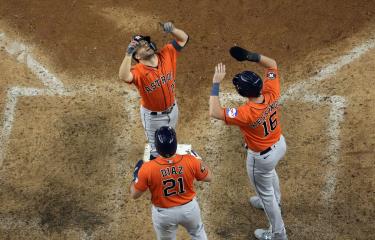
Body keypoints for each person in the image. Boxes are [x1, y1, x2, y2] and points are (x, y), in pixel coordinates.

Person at [208, 46, 288, 240]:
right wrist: (249, 56)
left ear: (243, 94)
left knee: (265, 194)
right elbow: (272, 64)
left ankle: (278, 233)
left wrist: (215, 83)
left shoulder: (246, 113)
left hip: (261, 158)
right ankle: (275, 200)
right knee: (270, 175)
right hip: (279, 145)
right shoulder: (271, 92)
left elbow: (215, 112)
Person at [119, 22, 189, 159]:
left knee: (170, 140)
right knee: (157, 150)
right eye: (140, 47)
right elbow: (123, 76)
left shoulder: (167, 53)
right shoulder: (138, 71)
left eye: (145, 43)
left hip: (173, 109)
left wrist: (173, 29)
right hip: (153, 118)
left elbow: (184, 39)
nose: (145, 45)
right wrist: (128, 54)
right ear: (137, 57)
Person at [129, 126, 212, 240]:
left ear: (157, 148)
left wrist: (136, 175)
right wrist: (198, 159)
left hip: (164, 215)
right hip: (189, 210)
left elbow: (134, 194)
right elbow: (208, 177)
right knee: (198, 233)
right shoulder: (190, 160)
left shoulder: (147, 168)